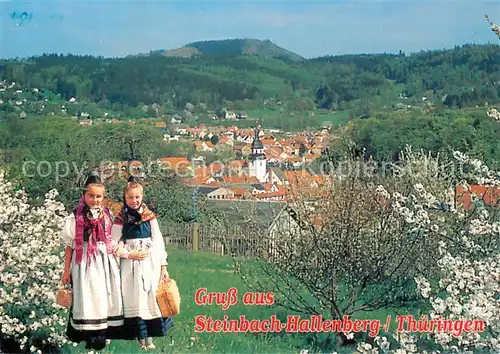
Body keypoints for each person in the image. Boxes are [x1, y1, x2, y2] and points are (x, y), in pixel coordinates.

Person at [60, 171, 124, 350]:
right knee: (87, 296)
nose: (95, 200)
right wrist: (66, 271)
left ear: (103, 197)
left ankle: (101, 335)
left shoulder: (107, 214)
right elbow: (69, 246)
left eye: (99, 196)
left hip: (104, 261)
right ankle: (87, 334)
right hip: (84, 262)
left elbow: (112, 239)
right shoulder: (76, 217)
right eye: (91, 196)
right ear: (84, 195)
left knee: (103, 296)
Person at [112, 175, 173, 350]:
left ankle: (150, 336)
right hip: (130, 264)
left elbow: (159, 240)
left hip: (149, 262)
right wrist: (128, 253)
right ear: (125, 197)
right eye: (130, 197)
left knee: (150, 296)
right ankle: (140, 335)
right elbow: (113, 243)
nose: (134, 200)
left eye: (137, 197)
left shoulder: (149, 216)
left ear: (142, 196)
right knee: (135, 298)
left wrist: (163, 266)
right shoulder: (120, 218)